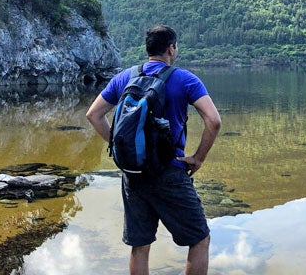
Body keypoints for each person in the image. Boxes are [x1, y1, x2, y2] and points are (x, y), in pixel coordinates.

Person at [85, 24, 222, 275]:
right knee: (199, 239)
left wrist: (118, 146)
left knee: (140, 245)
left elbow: (93, 115)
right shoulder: (185, 79)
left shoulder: (125, 77)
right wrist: (198, 158)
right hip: (169, 171)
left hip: (133, 173)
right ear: (171, 48)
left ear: (148, 48)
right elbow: (213, 121)